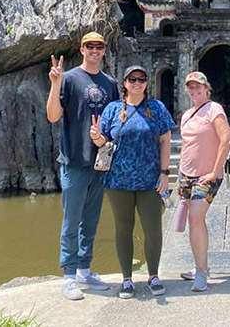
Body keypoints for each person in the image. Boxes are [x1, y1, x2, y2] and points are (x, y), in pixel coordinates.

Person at [92, 65, 176, 299]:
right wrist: (96, 137)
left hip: (150, 180)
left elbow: (165, 141)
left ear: (147, 83)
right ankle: (127, 279)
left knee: (153, 229)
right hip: (118, 180)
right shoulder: (113, 109)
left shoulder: (157, 108)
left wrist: (164, 172)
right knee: (123, 228)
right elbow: (103, 142)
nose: (137, 83)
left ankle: (153, 275)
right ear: (125, 83)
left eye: (141, 79)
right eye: (132, 79)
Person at [46, 31, 118, 301]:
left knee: (91, 219)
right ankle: (69, 275)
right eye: (90, 46)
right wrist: (55, 84)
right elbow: (53, 115)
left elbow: (114, 121)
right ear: (82, 49)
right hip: (75, 158)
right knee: (71, 219)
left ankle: (84, 270)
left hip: (100, 161)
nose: (94, 50)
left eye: (99, 46)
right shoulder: (69, 78)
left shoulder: (110, 83)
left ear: (104, 50)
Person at [177, 71, 230, 292]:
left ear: (206, 88)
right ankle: (200, 265)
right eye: (190, 87)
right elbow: (186, 144)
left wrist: (216, 170)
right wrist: (180, 174)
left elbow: (226, 139)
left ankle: (201, 272)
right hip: (187, 174)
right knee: (193, 222)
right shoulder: (187, 114)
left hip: (207, 175)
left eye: (198, 86)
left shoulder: (214, 109)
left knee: (196, 218)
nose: (194, 90)